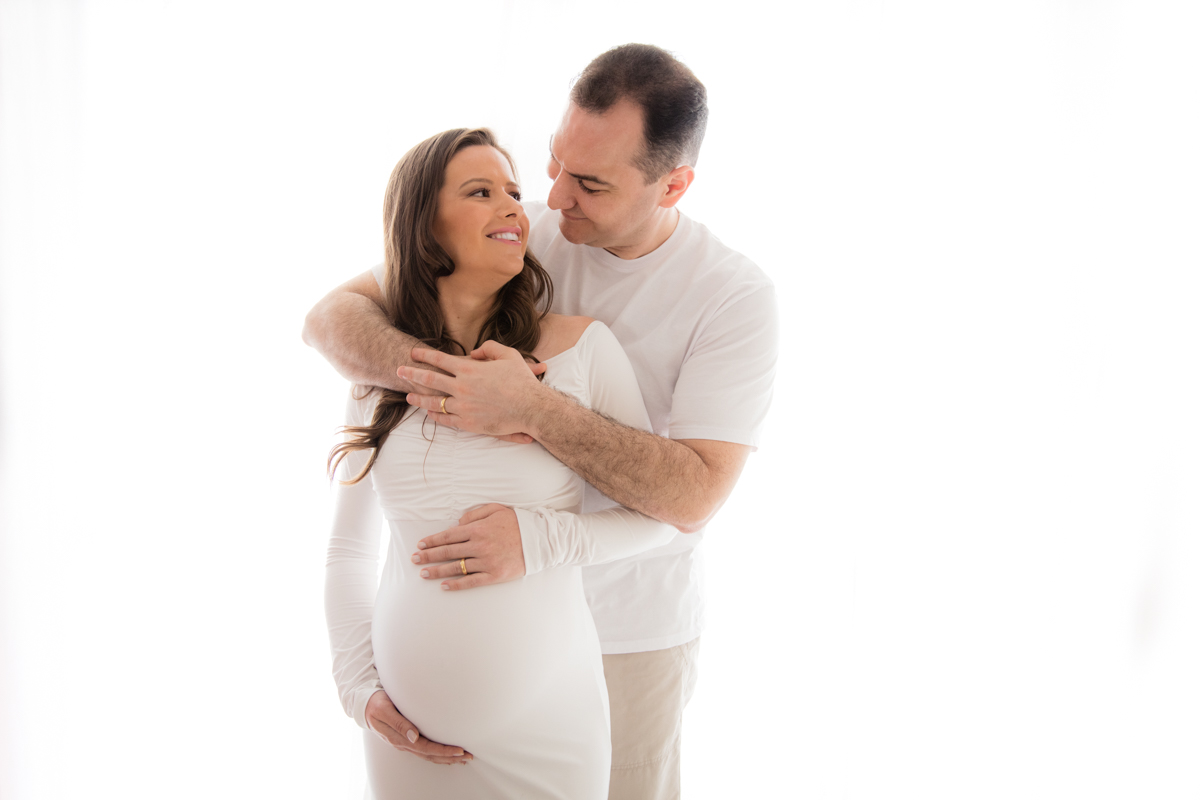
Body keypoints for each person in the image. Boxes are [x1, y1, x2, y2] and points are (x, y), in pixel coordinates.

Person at [305, 45, 778, 800]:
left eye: (590, 183)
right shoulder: (519, 230)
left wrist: (532, 412)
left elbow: (693, 498)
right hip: (422, 708)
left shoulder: (731, 297)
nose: (552, 199)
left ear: (673, 185)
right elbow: (331, 319)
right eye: (555, 164)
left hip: (629, 630)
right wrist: (436, 376)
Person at [324, 126, 676, 798]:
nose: (514, 205)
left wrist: (537, 541)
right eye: (481, 192)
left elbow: (659, 519)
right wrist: (356, 687)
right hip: (406, 743)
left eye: (513, 191)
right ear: (423, 226)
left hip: (551, 726)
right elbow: (346, 551)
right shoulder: (379, 370)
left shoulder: (581, 351)